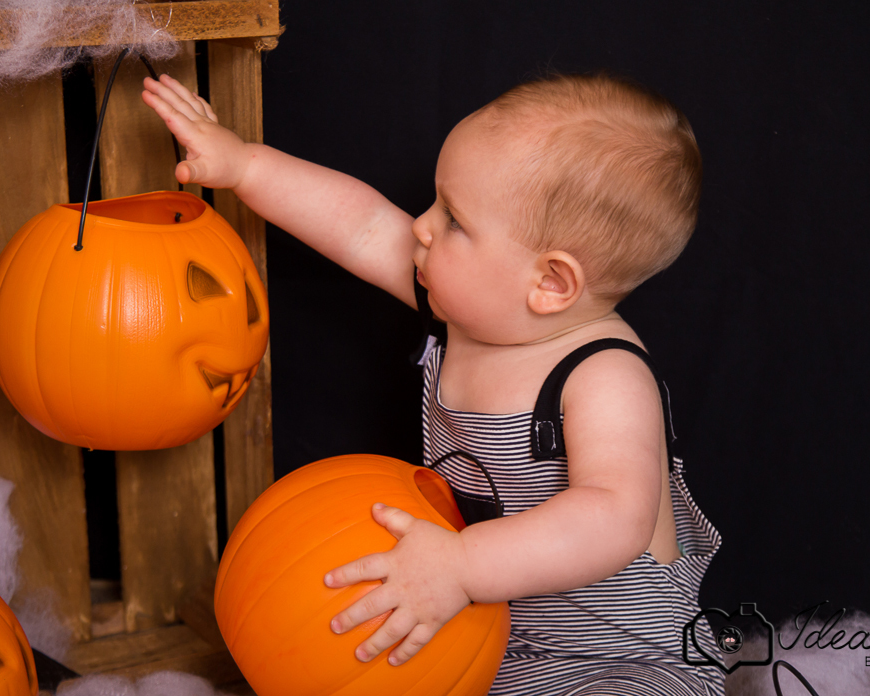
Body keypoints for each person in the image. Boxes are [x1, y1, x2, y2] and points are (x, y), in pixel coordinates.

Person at [142, 71, 726, 695]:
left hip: (620, 662)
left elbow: (614, 518)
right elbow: (361, 226)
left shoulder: (603, 375)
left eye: (454, 220)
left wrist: (462, 566)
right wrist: (245, 165)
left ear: (551, 283)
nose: (420, 225)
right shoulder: (463, 311)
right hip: (494, 643)